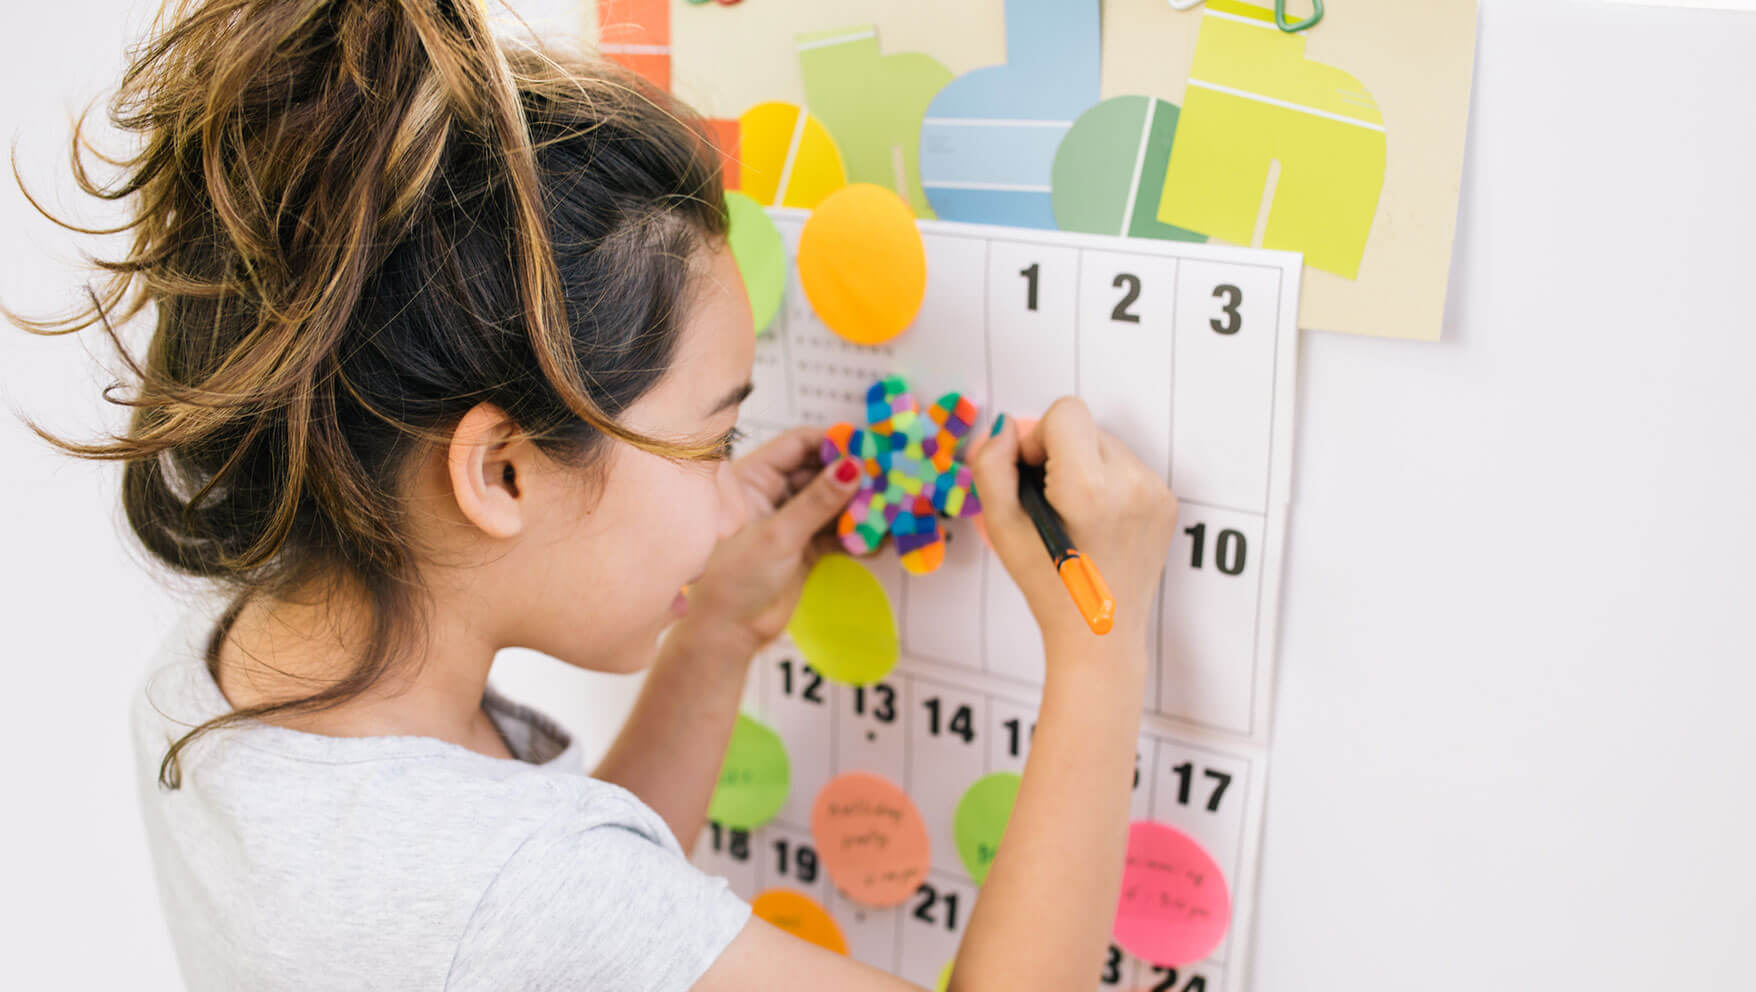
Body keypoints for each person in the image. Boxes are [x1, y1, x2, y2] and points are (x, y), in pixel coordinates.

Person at [10, 1, 1179, 988]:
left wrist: (716, 634)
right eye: (712, 439)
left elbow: (561, 931)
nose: (728, 500)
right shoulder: (522, 889)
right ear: (501, 469)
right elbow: (550, 908)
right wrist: (1099, 641)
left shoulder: (207, 680)